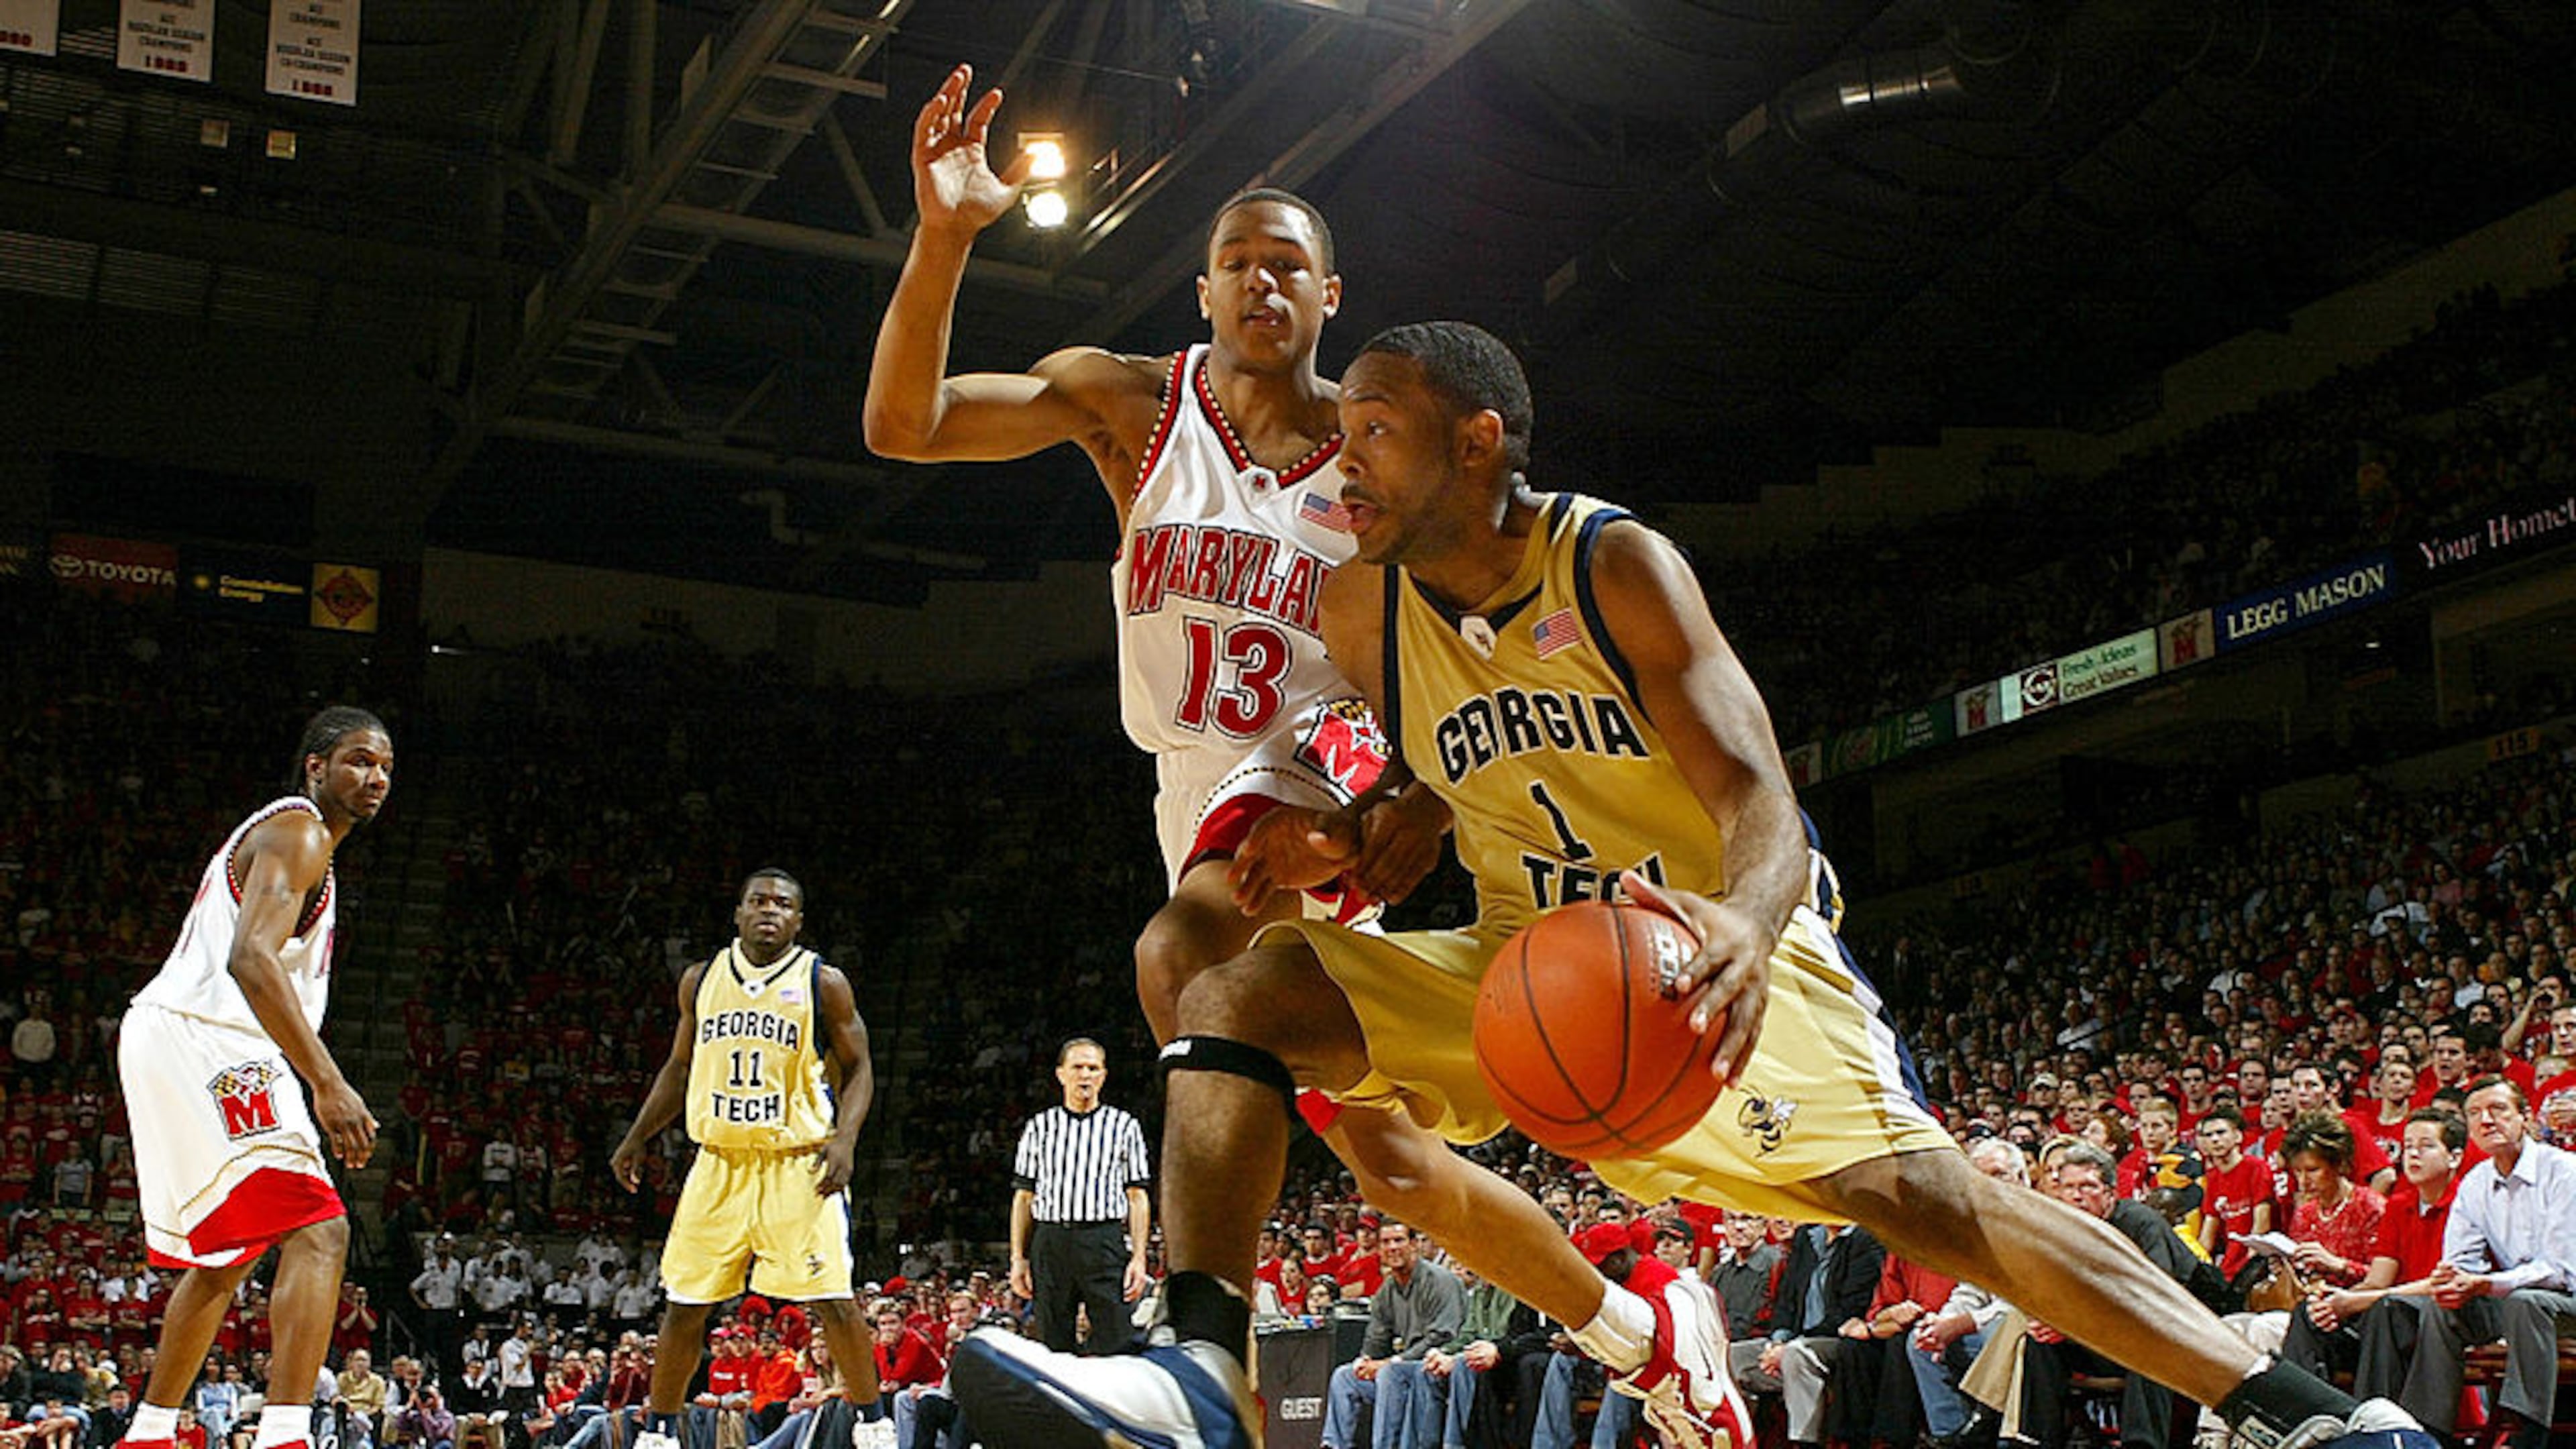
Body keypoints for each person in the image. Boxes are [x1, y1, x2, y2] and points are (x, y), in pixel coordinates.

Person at [947, 322, 2424, 1449]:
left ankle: (2300, 1406)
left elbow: (1757, 794)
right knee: (1240, 994)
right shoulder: (1363, 602)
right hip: (1535, 969)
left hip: (1709, 954)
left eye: (1376, 431)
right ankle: (1201, 1371)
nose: (1344, 460)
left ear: (1475, 445)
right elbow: (1429, 773)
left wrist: (1746, 922)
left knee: (1925, 1200)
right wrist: (1372, 821)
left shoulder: (1615, 565)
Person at [863, 64, 1446, 1047]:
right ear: (1205, 289)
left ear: (1330, 293)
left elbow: (1463, 640)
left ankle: (1201, 1203)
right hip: (1186, 780)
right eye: (1238, 260)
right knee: (1385, 1150)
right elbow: (904, 426)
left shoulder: (1381, 455)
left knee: (1180, 976)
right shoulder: (1133, 405)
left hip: (1314, 769)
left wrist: (1414, 801)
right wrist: (944, 238)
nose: (1262, 279)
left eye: (1289, 264)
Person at [112, 709, 392, 1449]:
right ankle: (286, 1435)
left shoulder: (308, 850)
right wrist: (329, 1084)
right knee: (321, 1229)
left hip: (193, 1035)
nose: (376, 778)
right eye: (359, 761)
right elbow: (251, 959)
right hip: (207, 1035)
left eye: (386, 767)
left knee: (229, 1255)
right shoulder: (298, 832)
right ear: (314, 767)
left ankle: (148, 1431)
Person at [608, 871, 881, 1449]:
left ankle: (873, 1423)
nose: (769, 911)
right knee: (686, 1304)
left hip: (796, 1161)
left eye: (783, 904)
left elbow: (860, 1067)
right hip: (719, 1161)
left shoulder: (822, 981)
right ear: (737, 913)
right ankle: (660, 1433)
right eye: (758, 901)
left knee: (833, 1297)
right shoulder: (701, 979)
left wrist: (846, 1139)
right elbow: (680, 1068)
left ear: (798, 920)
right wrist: (638, 1136)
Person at [2390, 1077, 2576, 1441]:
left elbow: (2559, 1270)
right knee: (2442, 1306)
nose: (2486, 1121)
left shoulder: (2565, 1171)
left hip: (2566, 1300)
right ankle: (2430, 1432)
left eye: (2498, 1110)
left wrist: (2486, 1283)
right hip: (2512, 1302)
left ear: (2525, 1117)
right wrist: (2455, 1279)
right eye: (2474, 1113)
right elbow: (2462, 1259)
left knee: (2527, 1302)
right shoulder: (2475, 1182)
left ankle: (2528, 1430)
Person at [1006, 1040, 1152, 1356]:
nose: (1085, 1075)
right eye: (1078, 1067)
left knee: (1117, 1341)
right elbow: (1024, 1198)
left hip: (1103, 1240)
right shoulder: (1040, 1127)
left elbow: (1138, 1196)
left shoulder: (1124, 1126)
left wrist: (1139, 1258)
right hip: (1051, 1239)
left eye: (1093, 1068)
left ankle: (1113, 1407)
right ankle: (1058, 1407)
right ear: (1061, 1075)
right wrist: (1019, 1258)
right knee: (1051, 1345)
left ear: (1103, 1076)